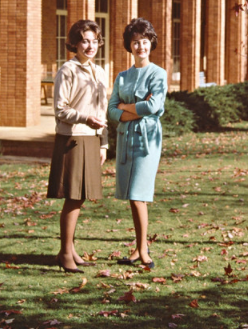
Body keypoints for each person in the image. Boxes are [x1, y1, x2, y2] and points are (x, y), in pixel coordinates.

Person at [47, 19, 108, 273]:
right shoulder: (68, 70)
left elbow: (102, 110)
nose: (90, 45)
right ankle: (64, 253)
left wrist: (104, 143)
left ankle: (70, 249)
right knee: (73, 198)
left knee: (80, 197)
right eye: (85, 40)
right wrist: (85, 118)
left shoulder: (100, 71)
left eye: (94, 41)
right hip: (72, 139)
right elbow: (61, 109)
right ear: (75, 43)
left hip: (92, 139)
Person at [108, 17, 167, 269]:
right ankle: (138, 248)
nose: (140, 47)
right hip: (125, 137)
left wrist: (126, 108)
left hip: (147, 139)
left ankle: (143, 251)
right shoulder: (122, 77)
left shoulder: (159, 74)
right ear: (129, 46)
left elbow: (155, 106)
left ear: (151, 44)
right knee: (132, 196)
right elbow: (111, 111)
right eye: (135, 42)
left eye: (144, 42)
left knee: (139, 194)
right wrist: (134, 110)